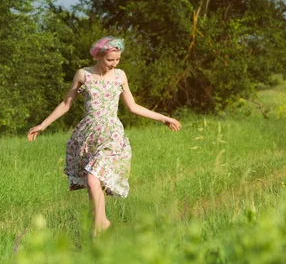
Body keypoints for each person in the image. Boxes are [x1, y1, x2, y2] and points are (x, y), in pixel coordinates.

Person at [27, 37, 181, 235]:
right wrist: (42, 125)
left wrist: (163, 118)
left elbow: (133, 107)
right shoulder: (83, 75)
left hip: (111, 135)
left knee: (93, 179)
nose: (114, 64)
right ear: (99, 56)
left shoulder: (120, 76)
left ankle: (102, 224)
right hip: (88, 136)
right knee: (94, 185)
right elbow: (66, 104)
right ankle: (97, 230)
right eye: (110, 60)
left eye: (117, 60)